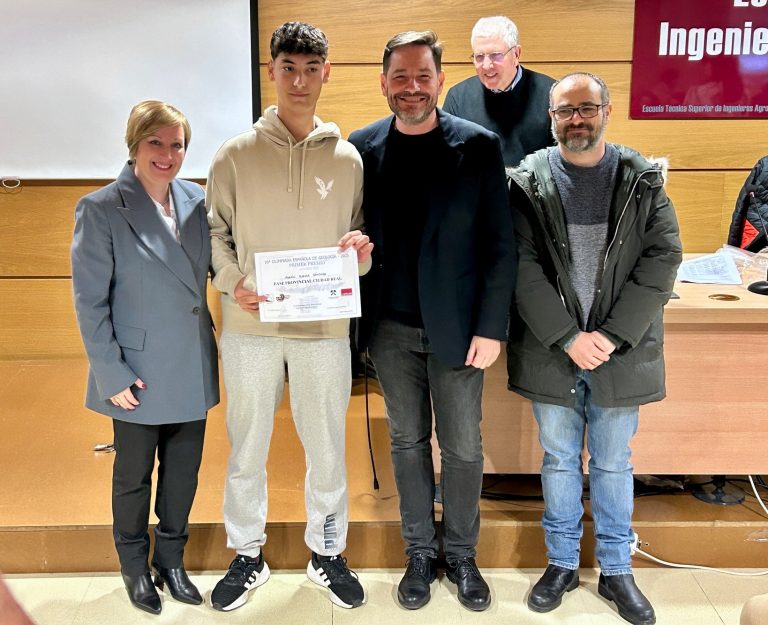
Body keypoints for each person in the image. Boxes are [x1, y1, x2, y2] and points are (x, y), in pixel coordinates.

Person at [206, 22, 372, 612]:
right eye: (288, 68)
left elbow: (356, 245)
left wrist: (361, 254)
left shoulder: (348, 159)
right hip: (249, 327)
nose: (299, 81)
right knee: (246, 445)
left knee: (326, 447)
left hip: (323, 329)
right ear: (271, 71)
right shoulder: (234, 154)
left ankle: (327, 552)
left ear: (326, 73)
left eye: (311, 69)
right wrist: (234, 282)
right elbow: (215, 235)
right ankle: (246, 553)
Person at [507, 72, 682, 625]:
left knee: (612, 463)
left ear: (606, 110)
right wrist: (567, 336)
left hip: (618, 352)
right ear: (551, 118)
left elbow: (662, 259)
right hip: (553, 350)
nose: (576, 119)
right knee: (559, 461)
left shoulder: (641, 179)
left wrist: (607, 336)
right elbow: (520, 266)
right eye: (565, 111)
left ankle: (615, 569)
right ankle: (561, 563)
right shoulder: (527, 182)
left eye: (586, 108)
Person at [348, 31, 515, 612]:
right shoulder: (360, 147)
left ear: (441, 80)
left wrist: (491, 328)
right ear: (383, 82)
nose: (412, 87)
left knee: (464, 447)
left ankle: (462, 554)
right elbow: (351, 231)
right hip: (389, 328)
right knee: (407, 441)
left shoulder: (480, 146)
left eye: (423, 76)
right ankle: (419, 551)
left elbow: (500, 246)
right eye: (400, 76)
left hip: (461, 330)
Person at [71, 100, 220, 615]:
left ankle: (171, 561)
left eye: (177, 144)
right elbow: (90, 302)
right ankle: (134, 566)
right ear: (134, 144)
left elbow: (222, 266)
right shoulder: (101, 208)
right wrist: (110, 373)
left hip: (190, 363)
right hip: (135, 373)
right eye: (155, 142)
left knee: (183, 474)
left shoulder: (197, 201)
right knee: (132, 478)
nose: (167, 154)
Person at [443, 15, 554, 168]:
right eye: (479, 57)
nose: (486, 65)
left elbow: (564, 159)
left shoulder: (552, 94)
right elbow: (446, 159)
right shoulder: (458, 97)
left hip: (535, 183)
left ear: (516, 54)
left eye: (495, 56)